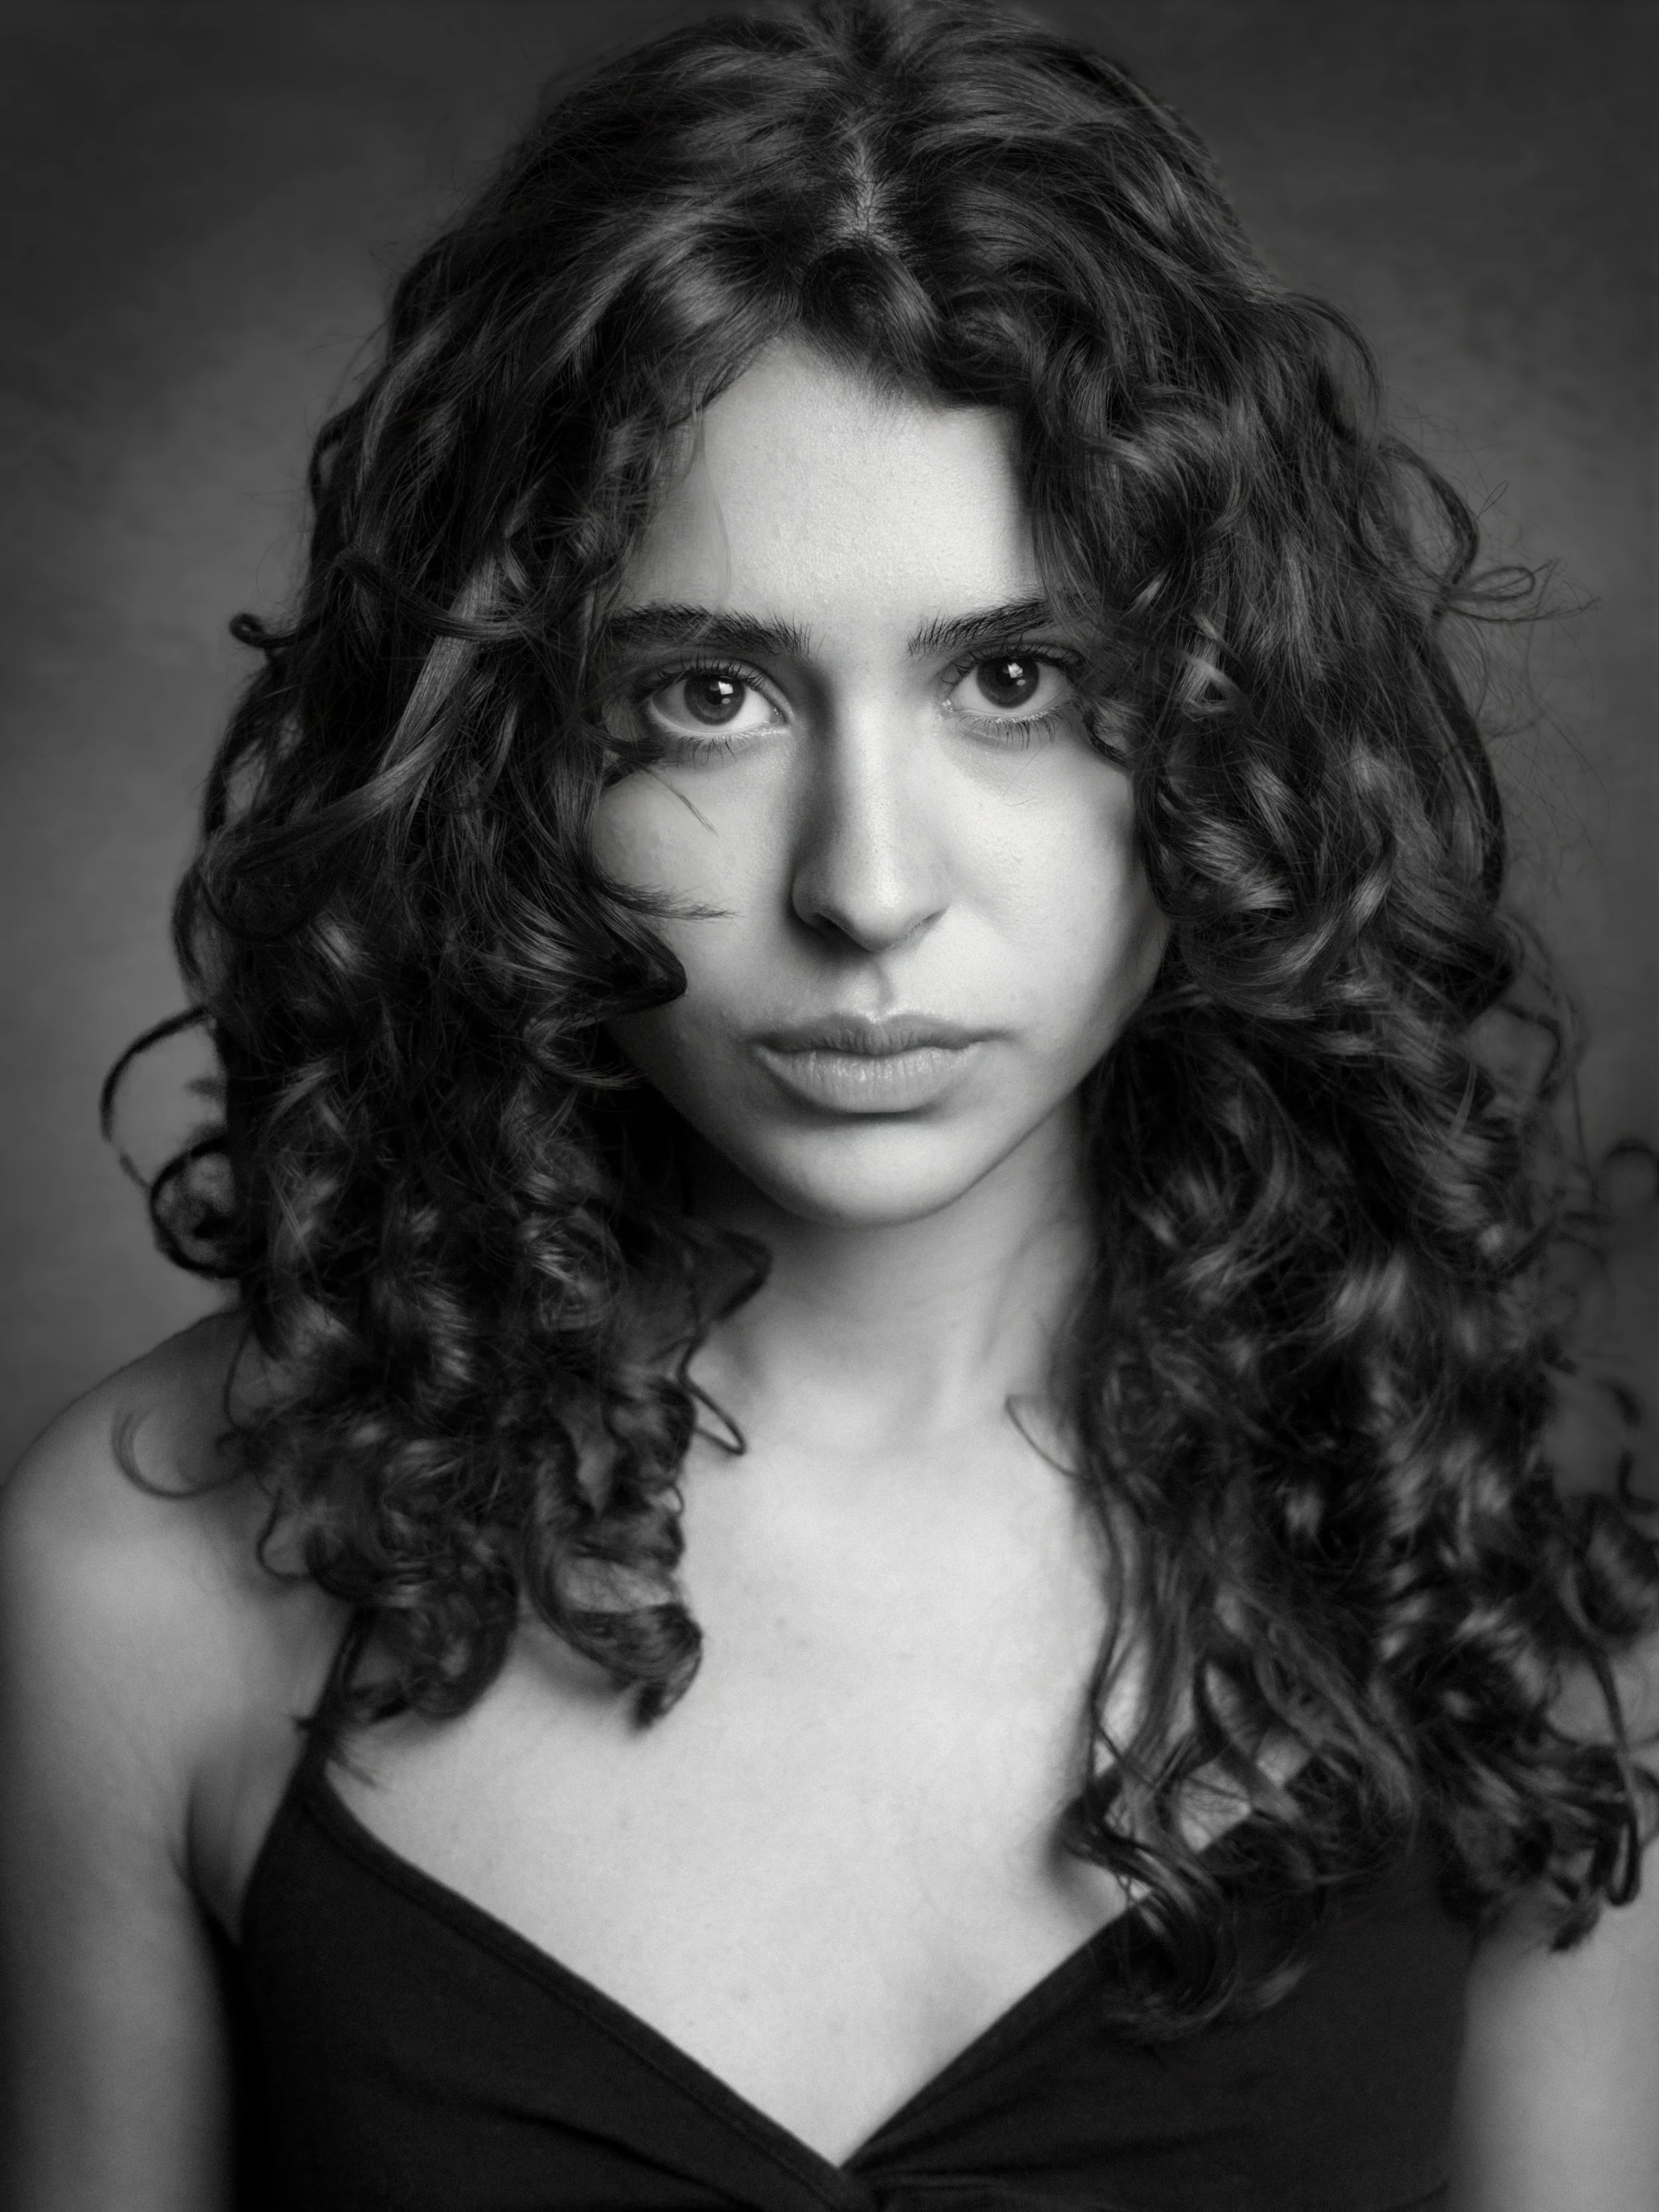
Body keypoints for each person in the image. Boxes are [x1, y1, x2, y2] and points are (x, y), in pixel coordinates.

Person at [3, 3, 1656, 2205]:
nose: (864, 888)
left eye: (1015, 679)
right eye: (707, 693)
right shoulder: (147, 1582)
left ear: (1228, 726)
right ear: (507, 764)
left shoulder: (1498, 1601)